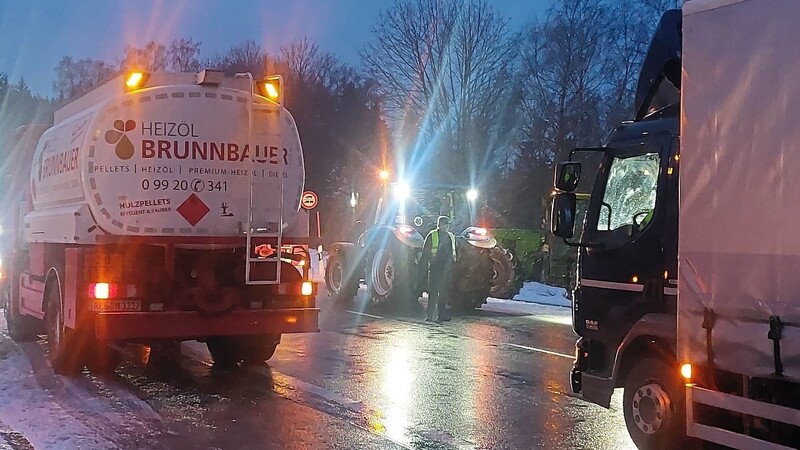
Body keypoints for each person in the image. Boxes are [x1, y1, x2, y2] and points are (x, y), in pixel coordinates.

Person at [421, 215, 457, 322]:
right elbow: (426, 252)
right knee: (433, 292)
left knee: (444, 293)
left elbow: (454, 251)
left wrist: (452, 264)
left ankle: (442, 315)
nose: (446, 227)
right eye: (445, 225)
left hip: (446, 269)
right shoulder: (432, 235)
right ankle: (430, 315)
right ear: (440, 225)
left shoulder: (450, 236)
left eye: (447, 225)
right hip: (435, 268)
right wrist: (426, 265)